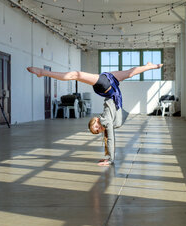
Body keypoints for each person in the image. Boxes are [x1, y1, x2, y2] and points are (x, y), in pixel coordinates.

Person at [27, 62, 163, 166]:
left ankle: (43, 72)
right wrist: (108, 156)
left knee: (76, 75)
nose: (99, 129)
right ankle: (149, 66)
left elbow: (111, 139)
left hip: (106, 87)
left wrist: (111, 159)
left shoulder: (105, 121)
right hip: (112, 86)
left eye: (96, 127)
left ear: (97, 120)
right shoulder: (107, 124)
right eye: (97, 131)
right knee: (129, 73)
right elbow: (108, 138)